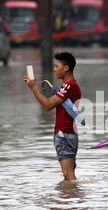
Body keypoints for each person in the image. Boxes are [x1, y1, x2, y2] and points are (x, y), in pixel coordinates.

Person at [24, 52, 81, 181]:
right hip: (66, 134)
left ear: (66, 68)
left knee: (68, 175)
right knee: (68, 175)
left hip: (65, 134)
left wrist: (34, 88)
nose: (54, 69)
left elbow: (48, 105)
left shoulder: (69, 86)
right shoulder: (67, 86)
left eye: (57, 66)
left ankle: (73, 199)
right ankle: (70, 199)